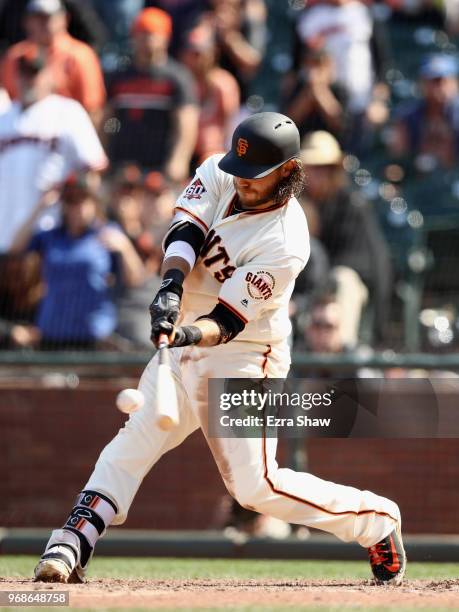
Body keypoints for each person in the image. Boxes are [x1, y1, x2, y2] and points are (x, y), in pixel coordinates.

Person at [32, 112, 406, 586]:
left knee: (256, 487)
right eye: (240, 170)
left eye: (257, 176)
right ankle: (72, 539)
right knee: (134, 439)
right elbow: (186, 230)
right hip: (187, 331)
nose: (243, 181)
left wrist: (182, 333)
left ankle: (377, 521)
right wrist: (170, 287)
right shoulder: (219, 169)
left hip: (245, 355)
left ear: (288, 172)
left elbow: (226, 322)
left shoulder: (286, 241)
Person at [9, 173, 144, 349]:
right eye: (71, 201)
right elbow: (15, 249)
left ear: (93, 203)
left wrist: (126, 248)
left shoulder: (106, 233)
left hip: (93, 336)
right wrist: (40, 207)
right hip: (53, 333)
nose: (77, 207)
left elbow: (135, 279)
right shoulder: (51, 236)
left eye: (83, 200)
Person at [300, 131, 392, 346]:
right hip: (305, 288)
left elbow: (365, 264)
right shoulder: (296, 205)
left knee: (342, 279)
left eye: (325, 168)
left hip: (347, 288)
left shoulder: (351, 204)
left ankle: (342, 358)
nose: (318, 174)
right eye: (312, 168)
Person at [105, 7, 199, 185]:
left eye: (151, 34)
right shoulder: (119, 77)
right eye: (141, 34)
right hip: (122, 170)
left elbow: (186, 123)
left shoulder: (177, 78)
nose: (146, 40)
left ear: (166, 38)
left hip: (159, 172)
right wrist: (103, 158)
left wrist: (178, 161)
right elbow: (105, 119)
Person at [1, 0, 106, 126]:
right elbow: (6, 103)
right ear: (26, 21)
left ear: (64, 19)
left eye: (48, 17)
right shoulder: (15, 56)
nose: (43, 23)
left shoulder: (80, 56)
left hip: (65, 135)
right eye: (37, 17)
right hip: (20, 135)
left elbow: (93, 110)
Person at [389, 54, 459, 171]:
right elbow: (397, 154)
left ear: (454, 82)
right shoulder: (409, 115)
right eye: (431, 81)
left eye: (441, 81)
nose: (437, 87)